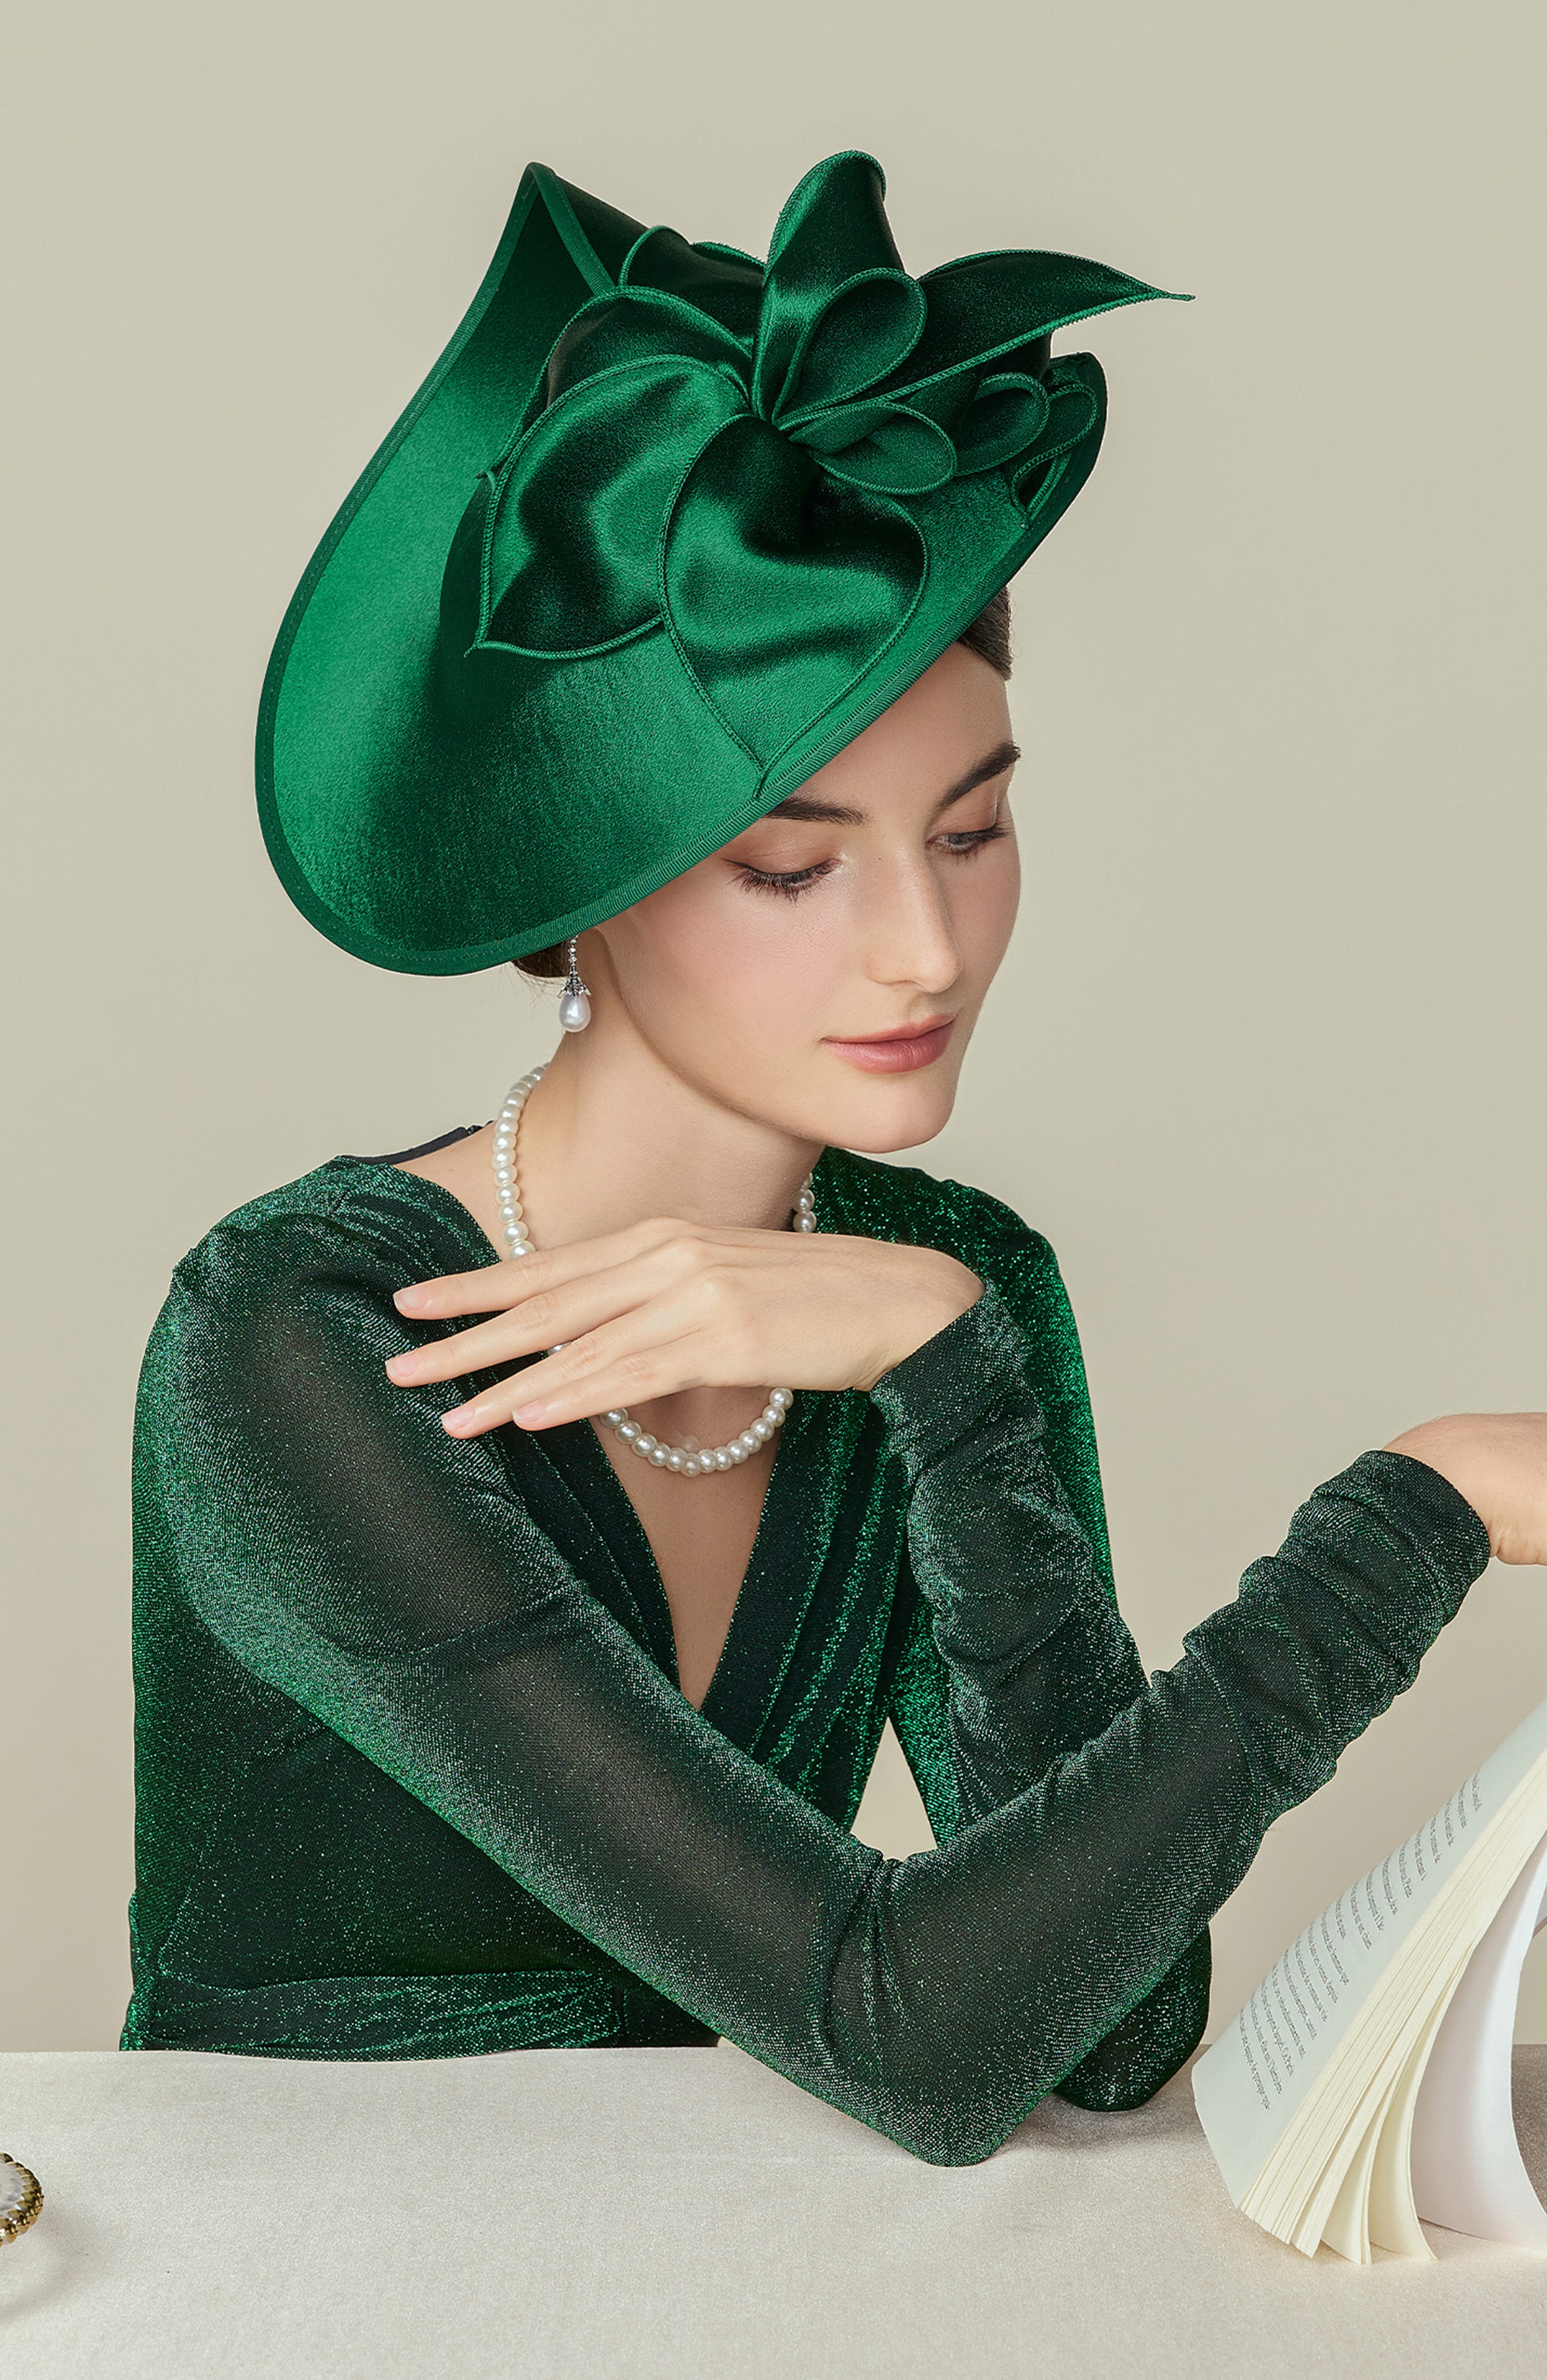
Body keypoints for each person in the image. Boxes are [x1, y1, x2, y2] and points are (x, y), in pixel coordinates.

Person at [123, 153, 1546, 2165]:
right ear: (583, 894)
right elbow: (917, 2037)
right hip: (301, 2263)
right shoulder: (298, 1336)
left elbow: (1112, 2032)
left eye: (971, 830)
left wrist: (953, 1375)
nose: (927, 948)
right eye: (796, 868)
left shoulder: (934, 1287)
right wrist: (1425, 1508)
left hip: (722, 2258)